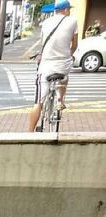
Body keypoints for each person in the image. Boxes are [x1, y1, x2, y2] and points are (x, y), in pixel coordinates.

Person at [29, 0, 78, 132]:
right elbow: (74, 45)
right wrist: (70, 54)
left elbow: (43, 43)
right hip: (63, 63)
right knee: (64, 78)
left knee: (38, 102)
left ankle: (29, 133)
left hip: (46, 64)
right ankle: (60, 100)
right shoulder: (72, 21)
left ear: (55, 10)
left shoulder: (45, 23)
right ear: (66, 10)